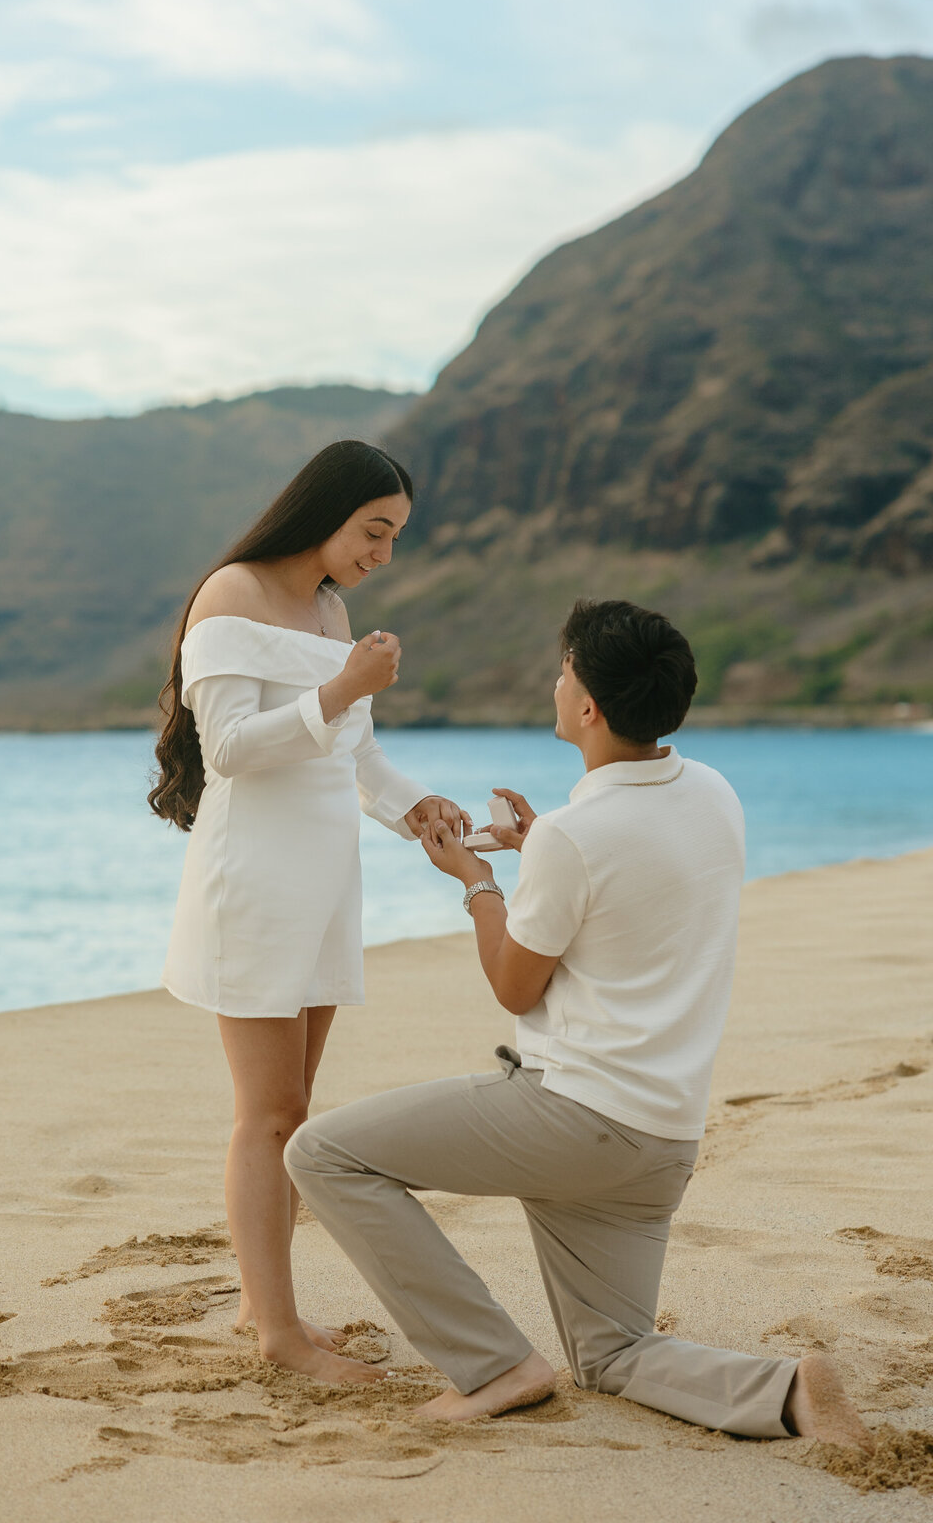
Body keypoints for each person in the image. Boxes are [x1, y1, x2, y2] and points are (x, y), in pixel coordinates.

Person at [285, 599, 874, 1447]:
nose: (557, 682)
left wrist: (477, 880)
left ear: (589, 705)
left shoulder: (576, 834)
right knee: (614, 1354)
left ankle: (494, 1366)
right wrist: (538, 852)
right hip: (660, 1140)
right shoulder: (712, 792)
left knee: (323, 1153)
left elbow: (515, 987)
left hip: (576, 1123)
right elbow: (641, 879)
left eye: (565, 671)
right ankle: (787, 1394)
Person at [149, 439, 467, 1386]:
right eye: (375, 531)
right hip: (252, 884)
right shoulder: (230, 597)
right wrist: (341, 688)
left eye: (396, 537)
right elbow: (235, 751)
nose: (383, 554)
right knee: (271, 1112)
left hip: (326, 885)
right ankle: (280, 1337)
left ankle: (262, 1301)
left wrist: (417, 807)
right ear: (324, 512)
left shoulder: (332, 610)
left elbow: (353, 757)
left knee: (298, 1112)